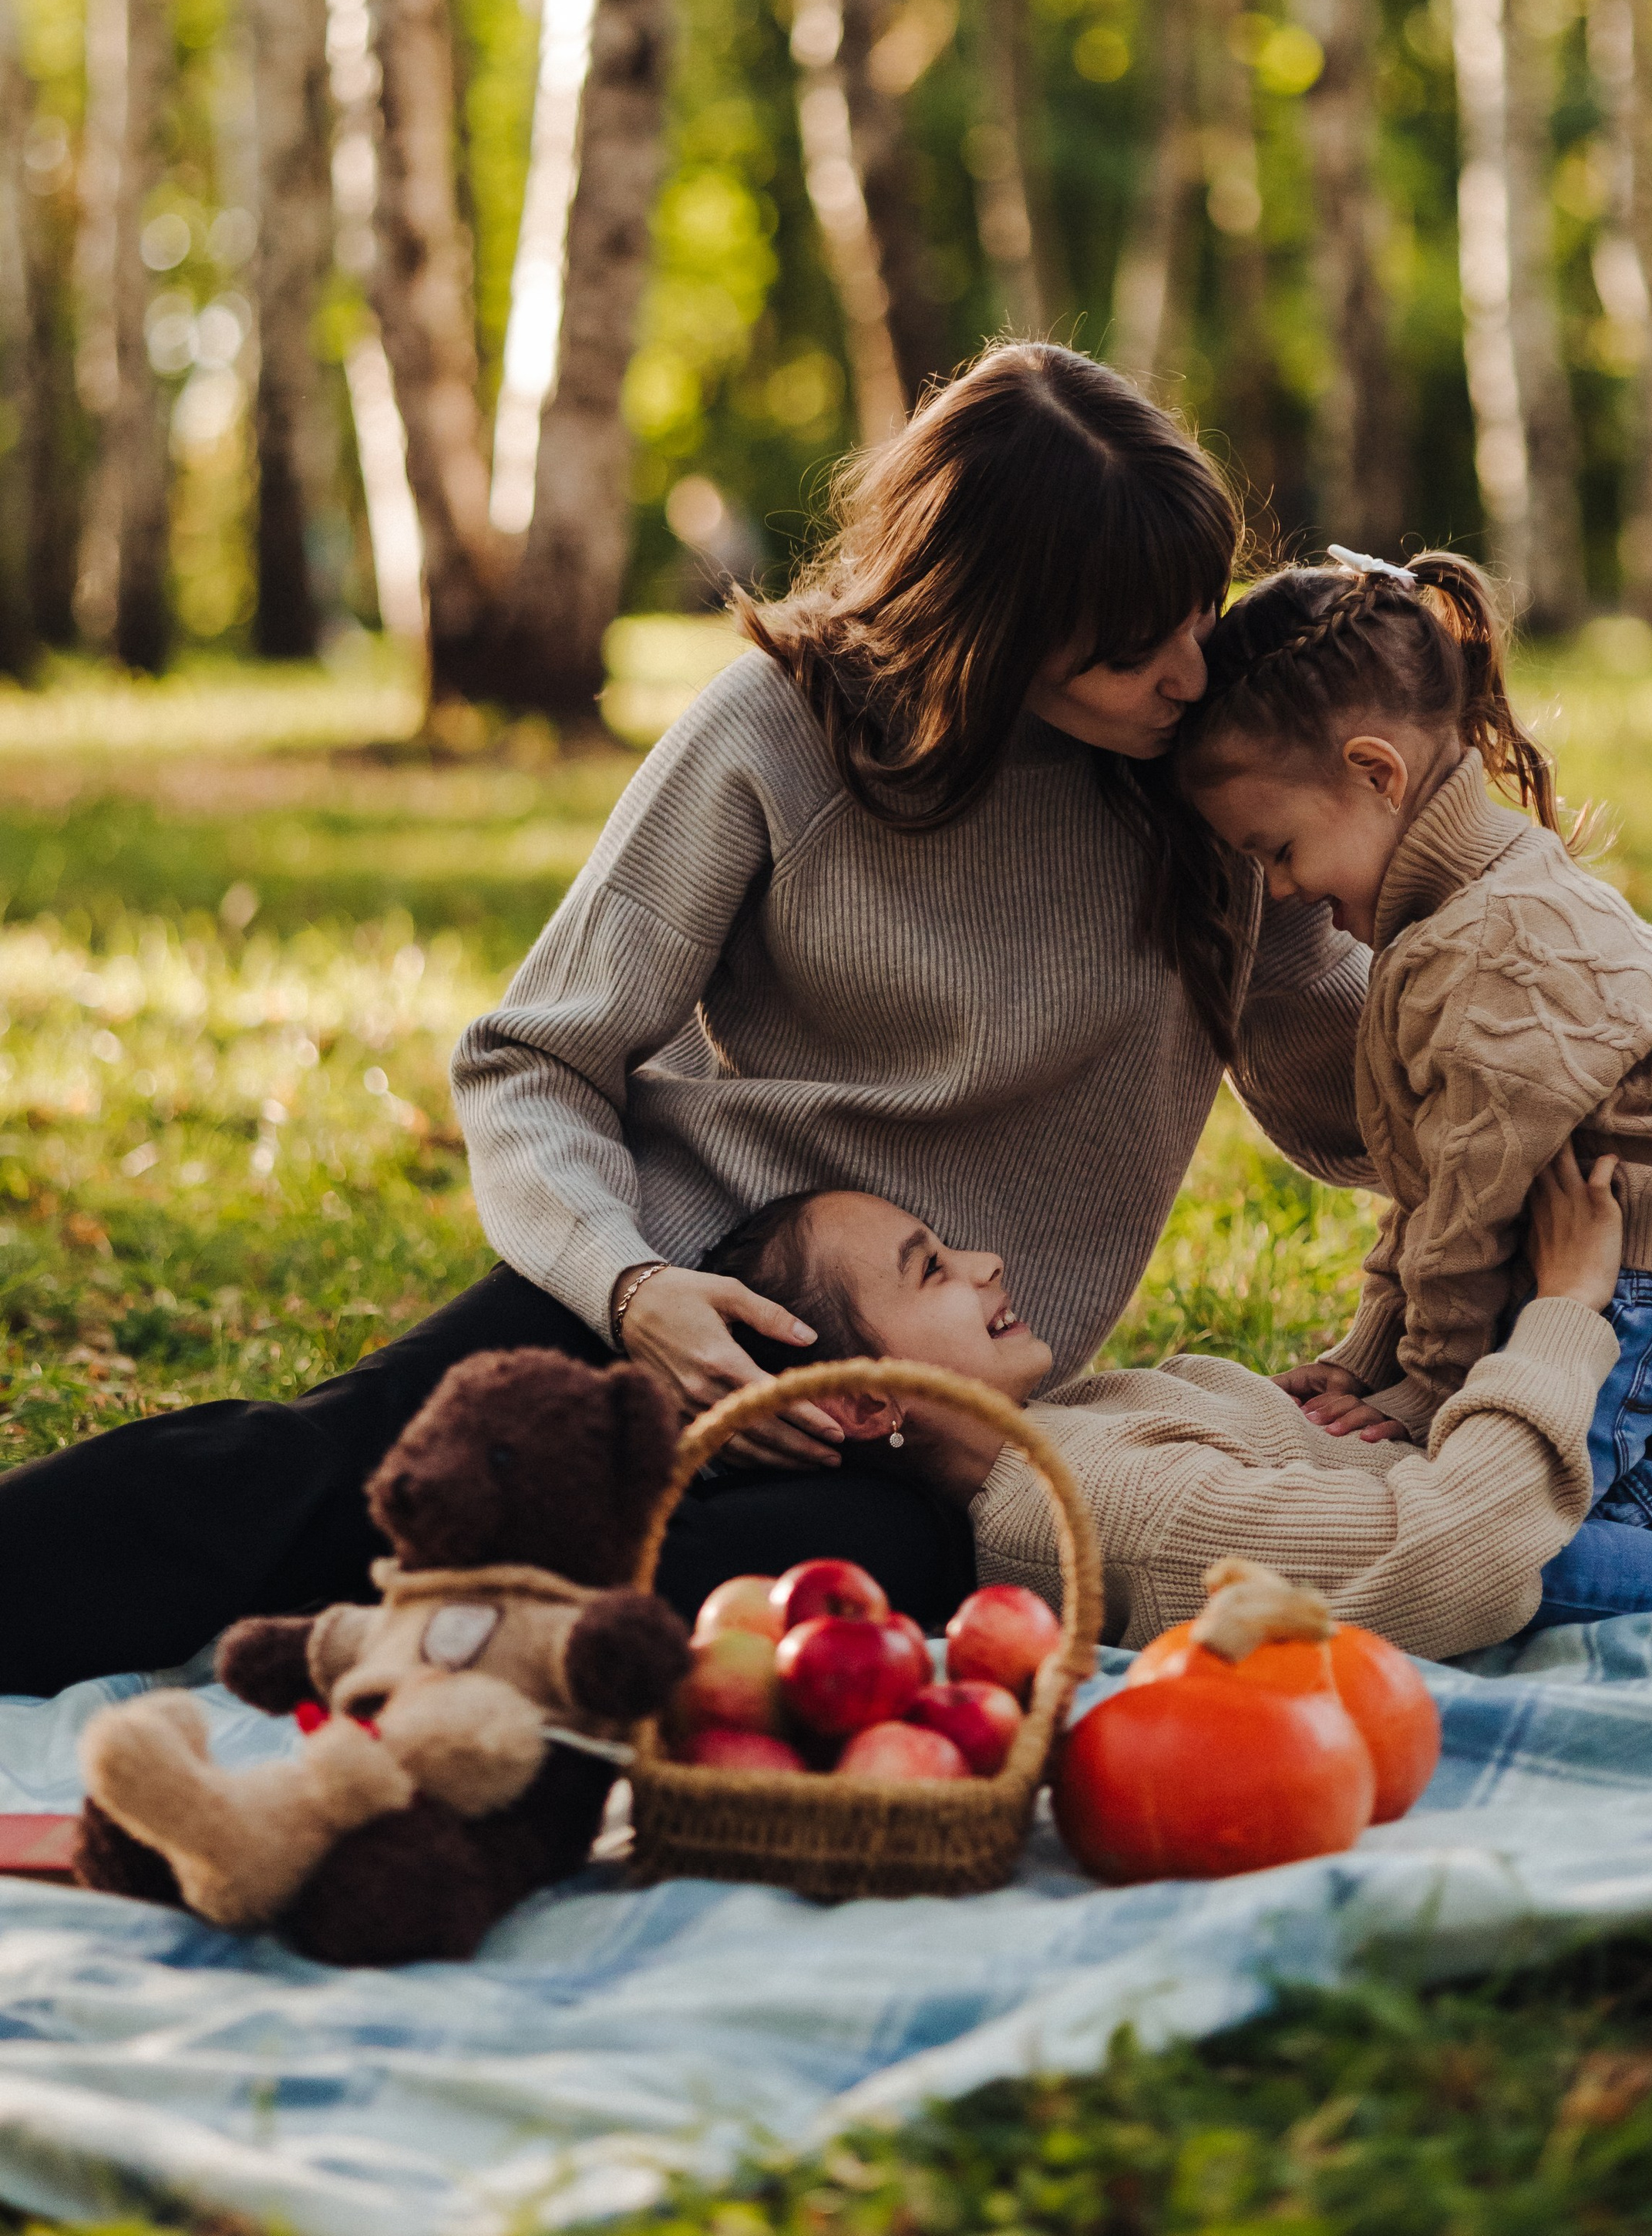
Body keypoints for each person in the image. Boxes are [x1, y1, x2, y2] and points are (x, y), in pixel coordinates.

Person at [0, 345, 1386, 1692]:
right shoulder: (784, 730)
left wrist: (1479, 1056)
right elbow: (535, 1057)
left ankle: (436, 1659)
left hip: (920, 1411)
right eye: (1133, 651)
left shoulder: (1205, 781)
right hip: (673, 1287)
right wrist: (628, 1286)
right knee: (322, 1479)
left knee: (812, 1581)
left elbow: (1363, 1079)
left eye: (1199, 614)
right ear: (994, 626)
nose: (1191, 674)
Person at [1173, 547, 1652, 1510]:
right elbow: (1427, 1179)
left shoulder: (1481, 946)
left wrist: (1428, 1391)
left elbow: (1464, 1213)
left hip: (1649, 1287)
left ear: (1375, 773)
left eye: (1278, 850)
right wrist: (1368, 1356)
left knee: (1510, 1510)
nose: (1280, 890)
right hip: (1594, 1269)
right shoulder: (1479, 896)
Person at [696, 1165, 1631, 1658]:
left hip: (1536, 1483)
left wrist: (1273, 1414)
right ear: (868, 1401)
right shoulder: (1105, 1510)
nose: (985, 1262)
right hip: (1585, 1539)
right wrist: (1566, 1303)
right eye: (931, 1269)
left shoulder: (1053, 1438)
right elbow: (1451, 1553)